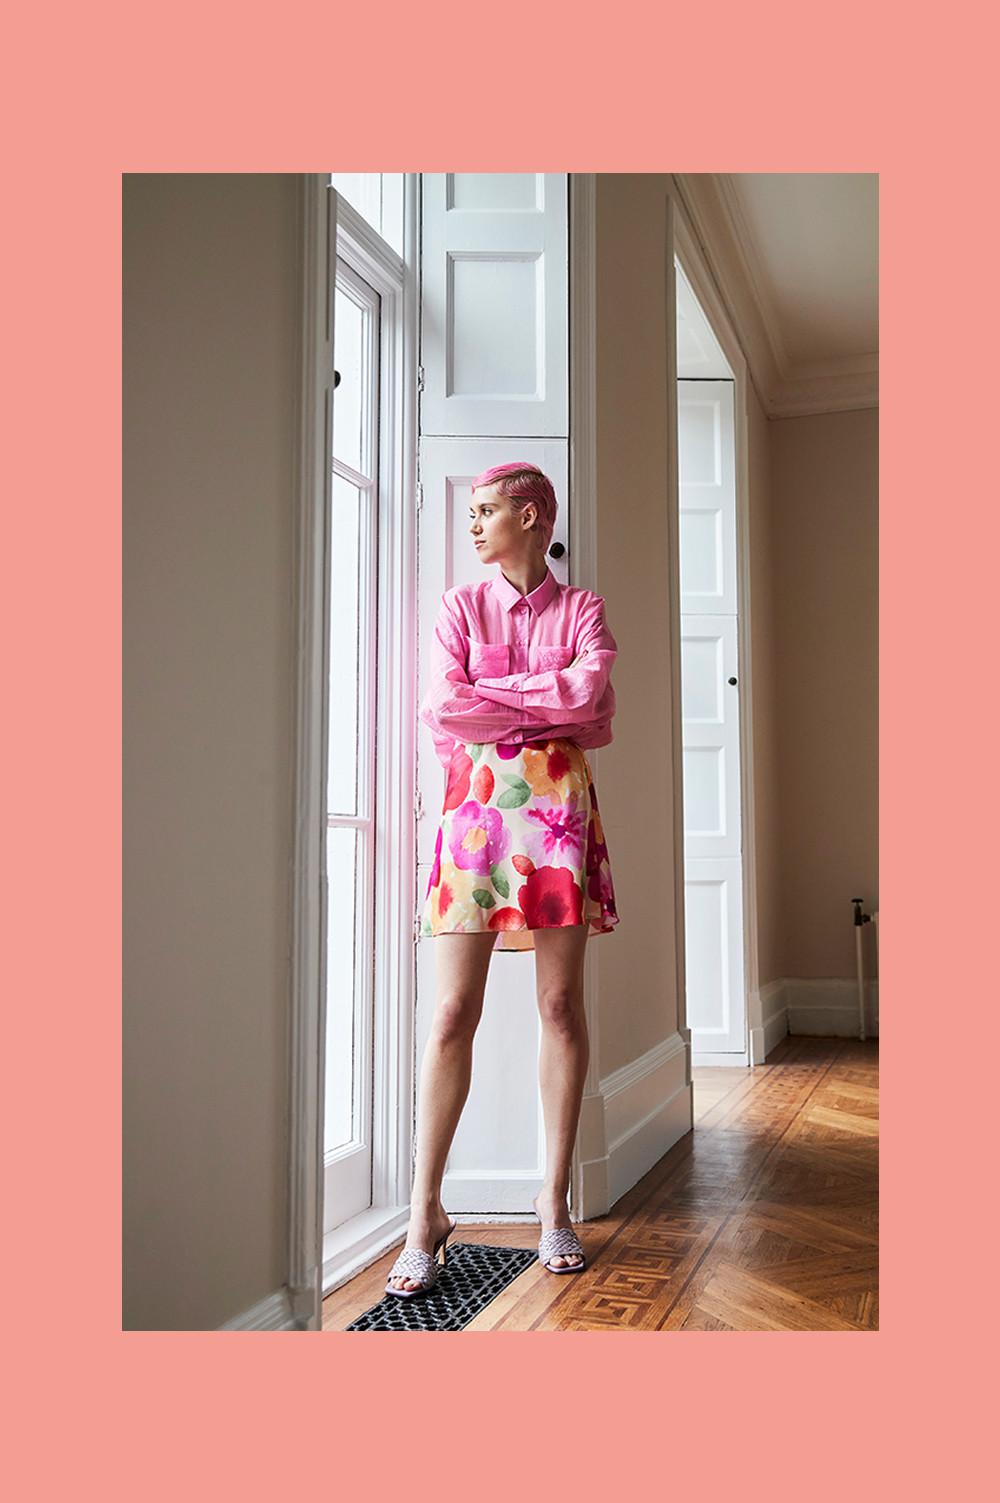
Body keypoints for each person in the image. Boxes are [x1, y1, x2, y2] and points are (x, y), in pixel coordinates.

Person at [385, 462, 620, 1296]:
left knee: (560, 1006)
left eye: (488, 511)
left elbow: (595, 702)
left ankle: (551, 1202)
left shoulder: (582, 609)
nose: (475, 524)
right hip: (474, 822)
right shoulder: (461, 606)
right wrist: (544, 706)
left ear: (531, 514)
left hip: (557, 818)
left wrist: (501, 698)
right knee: (452, 1010)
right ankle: (425, 1212)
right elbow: (445, 707)